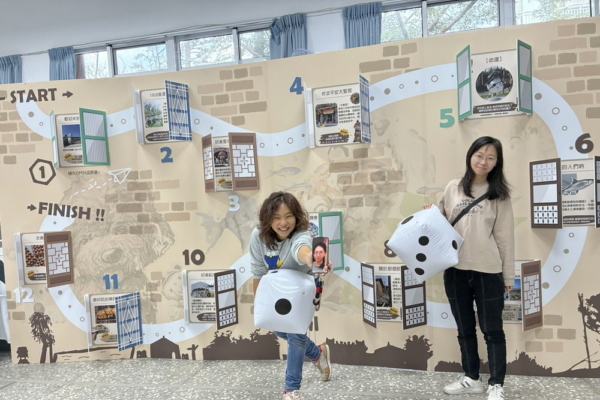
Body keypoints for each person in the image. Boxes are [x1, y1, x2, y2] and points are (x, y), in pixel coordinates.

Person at [426, 136, 514, 400]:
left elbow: (505, 238)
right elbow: (439, 225)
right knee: (464, 329)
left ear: (497, 163)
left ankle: (496, 384)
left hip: (488, 271)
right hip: (455, 270)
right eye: (479, 155)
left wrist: (508, 275)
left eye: (490, 158)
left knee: (493, 331)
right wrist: (428, 215)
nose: (483, 161)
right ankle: (471, 378)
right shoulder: (453, 188)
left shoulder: (499, 195)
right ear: (470, 156)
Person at [251, 191, 333, 400]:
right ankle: (317, 354)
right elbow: (258, 270)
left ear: (296, 217)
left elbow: (302, 249)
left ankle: (291, 390)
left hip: (301, 292)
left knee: (295, 334)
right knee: (281, 331)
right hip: (276, 292)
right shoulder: (258, 236)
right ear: (268, 218)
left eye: (288, 216)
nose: (283, 223)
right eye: (276, 217)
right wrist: (259, 303)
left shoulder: (303, 233)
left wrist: (311, 258)